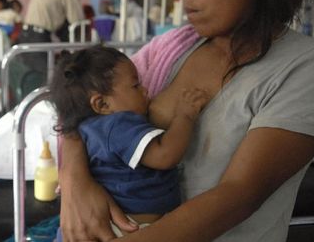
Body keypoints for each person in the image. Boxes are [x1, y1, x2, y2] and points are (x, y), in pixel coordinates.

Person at [59, 0, 314, 241]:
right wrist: (73, 178)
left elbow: (239, 195)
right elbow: (81, 102)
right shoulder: (174, 46)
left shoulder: (313, 68)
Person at [49, 46, 208, 238]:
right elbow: (165, 155)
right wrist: (185, 115)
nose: (146, 90)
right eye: (135, 86)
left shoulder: (89, 129)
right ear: (102, 104)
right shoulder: (118, 125)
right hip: (121, 228)